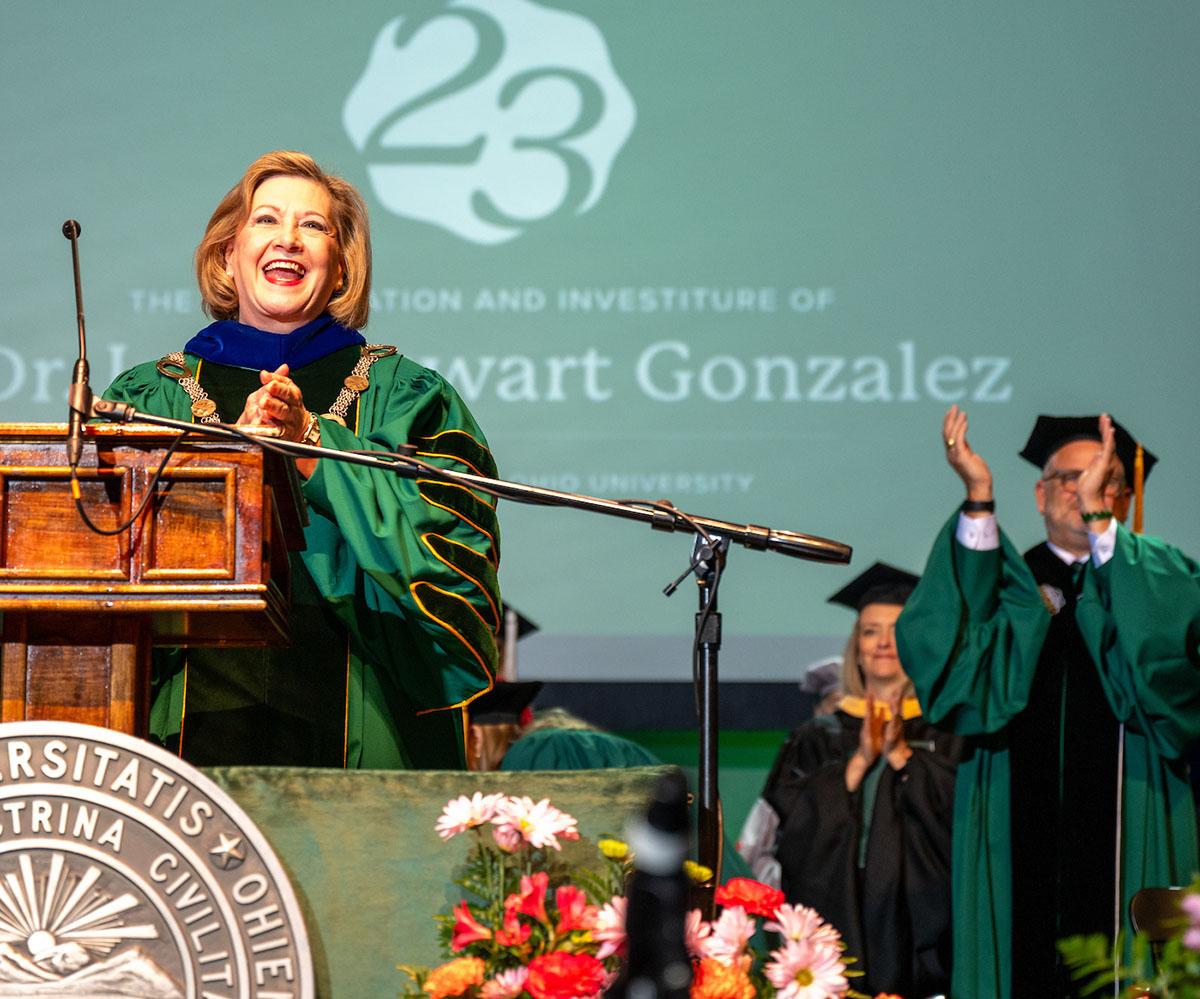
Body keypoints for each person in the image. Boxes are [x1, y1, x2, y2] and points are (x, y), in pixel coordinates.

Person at [102, 150, 502, 770]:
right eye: (266, 220)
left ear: (341, 268)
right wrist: (225, 457)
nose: (287, 240)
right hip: (181, 735)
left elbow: (455, 573)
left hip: (360, 738)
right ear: (226, 256)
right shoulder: (146, 400)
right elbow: (99, 558)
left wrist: (318, 447)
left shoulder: (408, 400)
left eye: (313, 227)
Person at [896, 407, 1200, 998]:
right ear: (1038, 493)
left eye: (1103, 478)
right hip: (1010, 806)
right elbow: (947, 651)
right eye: (1069, 478)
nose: (1083, 489)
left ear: (1122, 493)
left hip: (1133, 800)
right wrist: (978, 496)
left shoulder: (1157, 580)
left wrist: (1100, 522)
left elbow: (1176, 680)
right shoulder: (1009, 584)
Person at [758, 563, 960, 998]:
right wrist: (857, 764)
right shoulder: (818, 735)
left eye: (896, 631)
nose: (884, 643)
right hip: (837, 918)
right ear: (857, 645)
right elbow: (787, 833)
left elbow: (963, 823)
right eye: (870, 631)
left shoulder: (945, 732)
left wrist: (902, 756)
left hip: (919, 927)